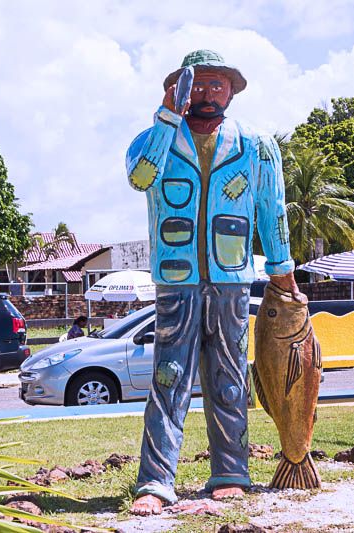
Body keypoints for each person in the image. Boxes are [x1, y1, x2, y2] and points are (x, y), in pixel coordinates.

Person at [126, 50, 301, 516]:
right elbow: (140, 178)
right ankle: (157, 479)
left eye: (215, 85)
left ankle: (230, 470)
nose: (206, 94)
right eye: (196, 86)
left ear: (231, 91)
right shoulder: (153, 142)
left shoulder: (258, 147)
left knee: (228, 375)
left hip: (231, 277)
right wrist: (166, 117)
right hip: (176, 279)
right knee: (169, 376)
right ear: (179, 89)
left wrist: (281, 268)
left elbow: (272, 210)